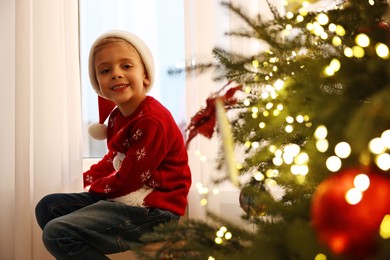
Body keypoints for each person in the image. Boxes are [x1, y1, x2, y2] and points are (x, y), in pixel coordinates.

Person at [35, 30, 192, 259]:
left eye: (126, 66)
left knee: (56, 233)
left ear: (145, 75)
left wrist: (97, 188)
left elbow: (129, 179)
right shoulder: (119, 116)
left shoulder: (151, 121)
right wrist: (88, 177)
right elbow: (114, 157)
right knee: (48, 207)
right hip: (127, 196)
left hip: (155, 210)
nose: (116, 74)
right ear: (98, 85)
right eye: (105, 70)